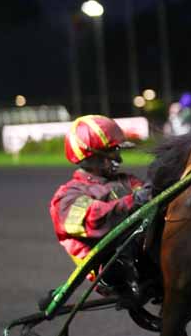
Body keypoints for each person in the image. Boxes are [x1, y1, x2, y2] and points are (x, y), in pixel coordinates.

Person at [49, 114, 152, 300]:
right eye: (113, 151)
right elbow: (95, 220)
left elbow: (149, 193)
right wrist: (134, 201)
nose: (119, 159)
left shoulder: (124, 180)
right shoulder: (67, 197)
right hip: (108, 269)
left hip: (143, 251)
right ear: (94, 156)